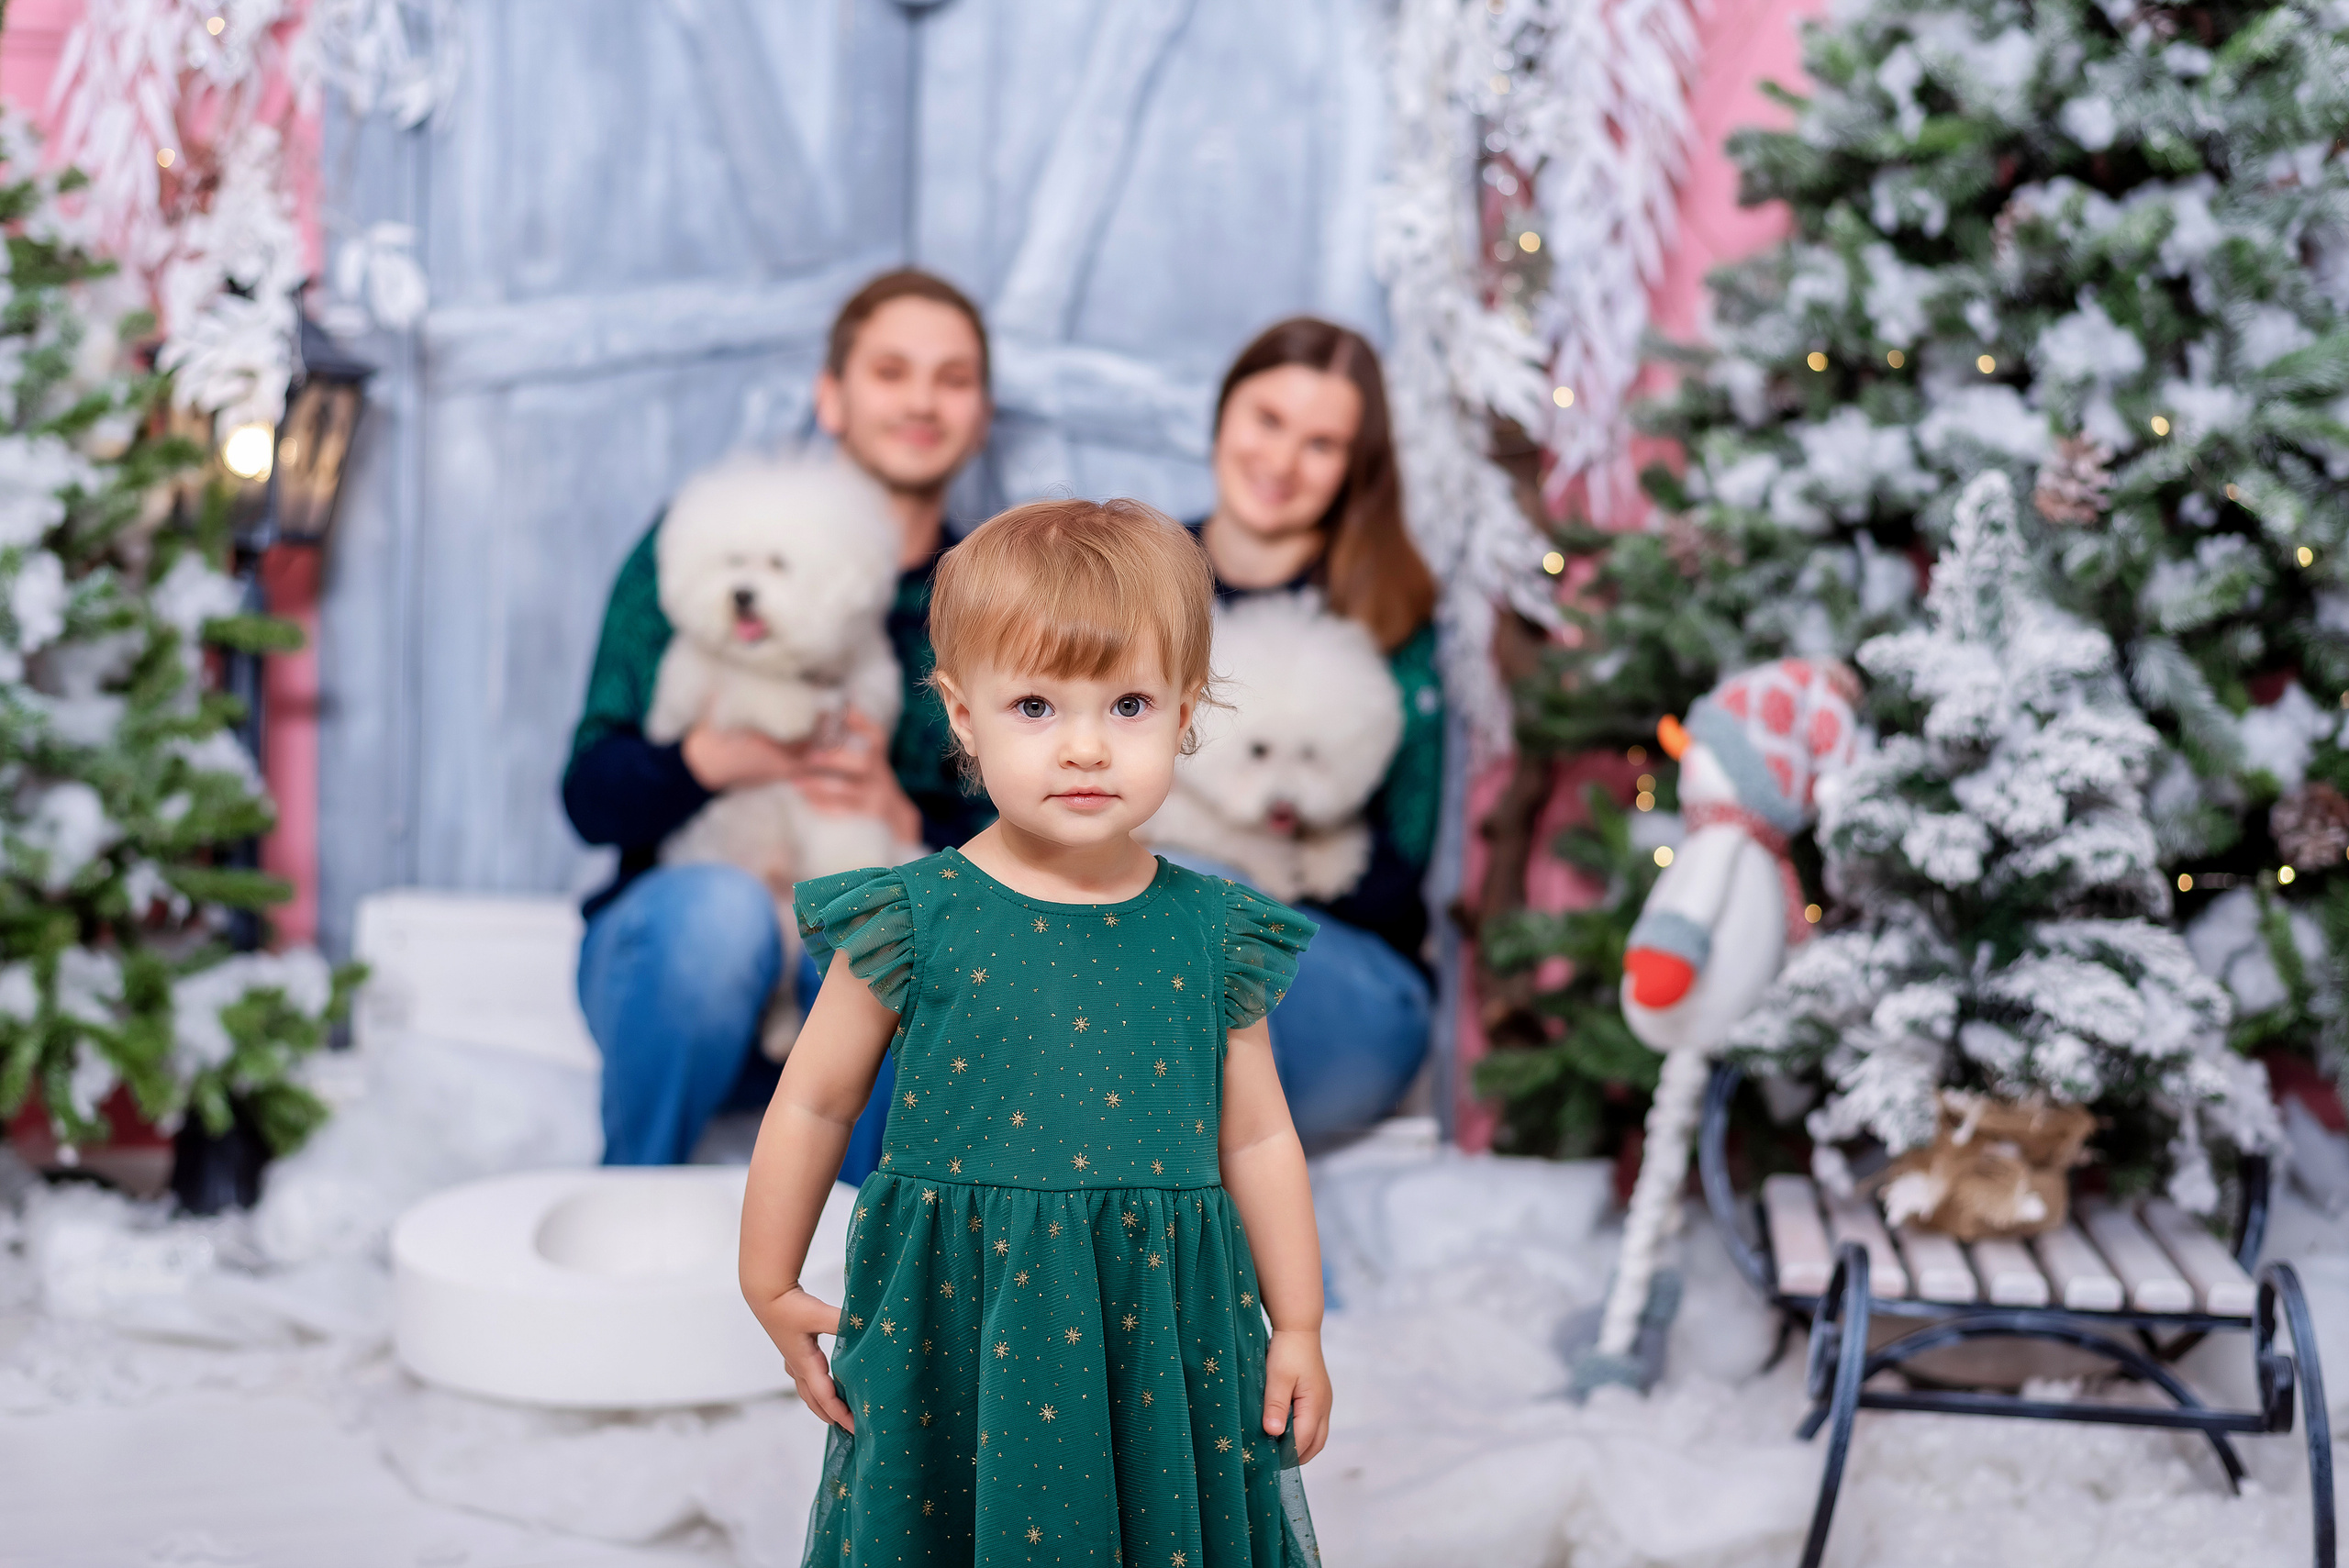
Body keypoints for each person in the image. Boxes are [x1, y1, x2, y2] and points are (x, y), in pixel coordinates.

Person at [740, 497, 1329, 1564]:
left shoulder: (1211, 932)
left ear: (1188, 709)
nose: (1087, 746)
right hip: (958, 1319)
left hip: (1162, 1329)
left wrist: (1298, 1323)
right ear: (963, 717)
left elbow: (1256, 1138)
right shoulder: (911, 919)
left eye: (1131, 703)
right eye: (1036, 707)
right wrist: (768, 1279)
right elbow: (815, 1099)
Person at [562, 270, 995, 1170]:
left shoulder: (998, 598)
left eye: (952, 378)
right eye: (891, 371)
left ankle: (863, 1255)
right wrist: (710, 759)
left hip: (854, 975)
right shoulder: (699, 541)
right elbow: (591, 797)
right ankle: (628, 1204)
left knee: (889, 931)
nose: (921, 399)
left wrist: (908, 816)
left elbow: (1040, 834)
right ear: (829, 398)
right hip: (679, 964)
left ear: (982, 412)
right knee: (714, 916)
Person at [1186, 316, 1443, 1146]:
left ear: (1355, 468)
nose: (1282, 462)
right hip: (1140, 950)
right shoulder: (1132, 579)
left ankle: (1218, 1264)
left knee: (1172, 915)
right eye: (1268, 420)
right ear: (1224, 413)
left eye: (1322, 443)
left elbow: (1394, 877)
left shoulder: (1389, 615)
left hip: (1343, 970)